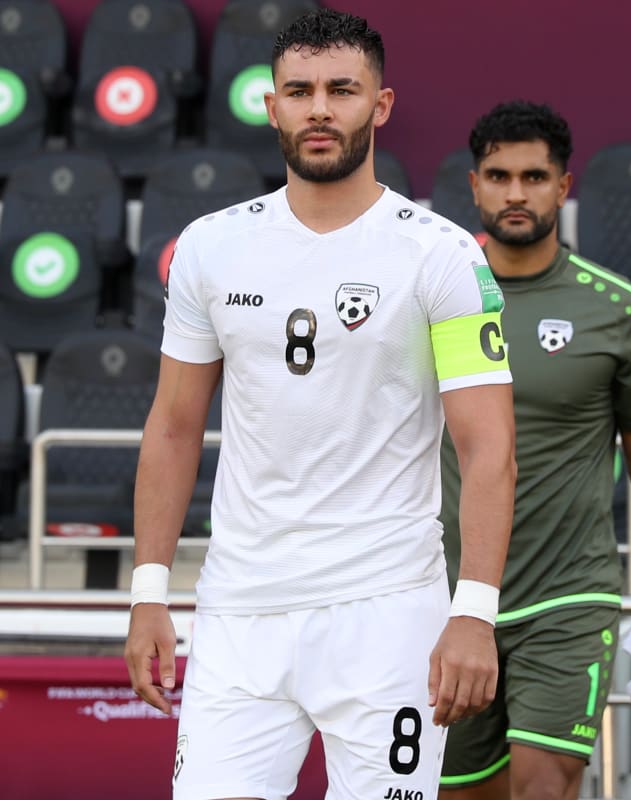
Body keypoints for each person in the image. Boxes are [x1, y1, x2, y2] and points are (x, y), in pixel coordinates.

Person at [124, 10, 517, 800]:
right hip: (241, 609)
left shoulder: (440, 254)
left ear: (382, 105)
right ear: (271, 107)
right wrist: (147, 591)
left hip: (387, 611)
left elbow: (489, 448)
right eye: (299, 91)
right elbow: (172, 425)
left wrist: (473, 610)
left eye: (343, 89)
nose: (319, 109)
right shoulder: (210, 245)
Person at [437, 100, 631, 800]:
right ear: (474, 186)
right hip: (448, 599)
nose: (515, 193)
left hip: (568, 596)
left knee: (543, 787)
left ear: (563, 188)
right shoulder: (433, 302)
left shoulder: (617, 310)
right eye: (498, 176)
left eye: (534, 177)